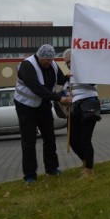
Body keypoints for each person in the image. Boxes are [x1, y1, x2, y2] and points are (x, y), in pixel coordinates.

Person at [14, 44, 72, 183]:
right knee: (29, 141)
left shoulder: (52, 65)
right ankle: (29, 175)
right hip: (25, 107)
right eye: (47, 60)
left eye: (51, 59)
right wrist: (59, 98)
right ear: (40, 57)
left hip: (43, 106)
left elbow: (60, 80)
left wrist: (69, 78)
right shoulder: (27, 66)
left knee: (49, 137)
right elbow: (37, 89)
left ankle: (52, 169)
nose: (50, 62)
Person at [63, 48, 100, 178]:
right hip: (73, 109)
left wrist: (78, 71)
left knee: (85, 139)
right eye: (66, 62)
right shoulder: (68, 79)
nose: (68, 64)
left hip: (88, 105)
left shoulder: (87, 71)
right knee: (72, 140)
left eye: (71, 61)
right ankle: (85, 161)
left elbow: (92, 81)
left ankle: (89, 170)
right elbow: (63, 95)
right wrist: (64, 99)